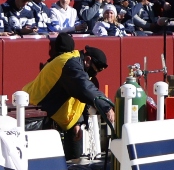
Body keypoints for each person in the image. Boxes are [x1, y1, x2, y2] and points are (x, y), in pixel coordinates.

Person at [24, 33, 115, 161]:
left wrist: (77, 122)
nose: (95, 74)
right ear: (87, 60)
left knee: (72, 160)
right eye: (95, 70)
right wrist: (106, 107)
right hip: (35, 115)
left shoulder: (79, 67)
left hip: (52, 117)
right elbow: (84, 88)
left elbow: (77, 98)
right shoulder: (69, 63)